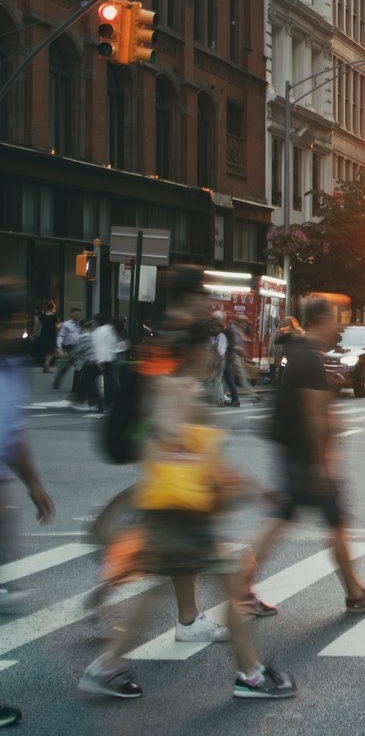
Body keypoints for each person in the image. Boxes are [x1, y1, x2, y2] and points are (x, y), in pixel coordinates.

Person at [80, 265, 295, 702]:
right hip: (181, 503)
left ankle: (117, 658)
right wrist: (243, 485)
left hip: (177, 500)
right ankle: (249, 673)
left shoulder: (173, 359)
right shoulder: (174, 362)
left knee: (169, 579)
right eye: (209, 349)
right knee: (223, 577)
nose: (215, 355)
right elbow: (184, 442)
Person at [238, 296, 365, 618]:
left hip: (297, 457)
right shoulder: (308, 359)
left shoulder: (303, 355)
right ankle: (355, 594)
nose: (339, 327)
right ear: (323, 320)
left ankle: (243, 589)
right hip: (308, 461)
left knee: (289, 521)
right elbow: (313, 413)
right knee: (333, 522)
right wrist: (323, 463)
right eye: (336, 319)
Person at [0, 280, 56, 727]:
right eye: (15, 322)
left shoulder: (13, 367)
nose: (20, 330)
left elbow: (13, 434)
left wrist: (33, 485)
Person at [87, 314, 127, 412]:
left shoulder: (99, 331)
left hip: (103, 359)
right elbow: (116, 345)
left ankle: (100, 401)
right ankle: (110, 402)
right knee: (110, 381)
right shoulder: (111, 329)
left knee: (96, 380)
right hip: (112, 358)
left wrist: (99, 361)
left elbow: (99, 347)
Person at [53, 307, 84, 396]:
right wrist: (59, 346)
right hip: (69, 348)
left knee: (78, 368)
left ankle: (75, 387)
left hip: (78, 348)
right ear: (71, 313)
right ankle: (57, 382)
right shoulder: (66, 324)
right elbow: (61, 335)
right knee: (65, 367)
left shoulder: (81, 324)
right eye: (76, 313)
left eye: (79, 313)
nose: (78, 315)